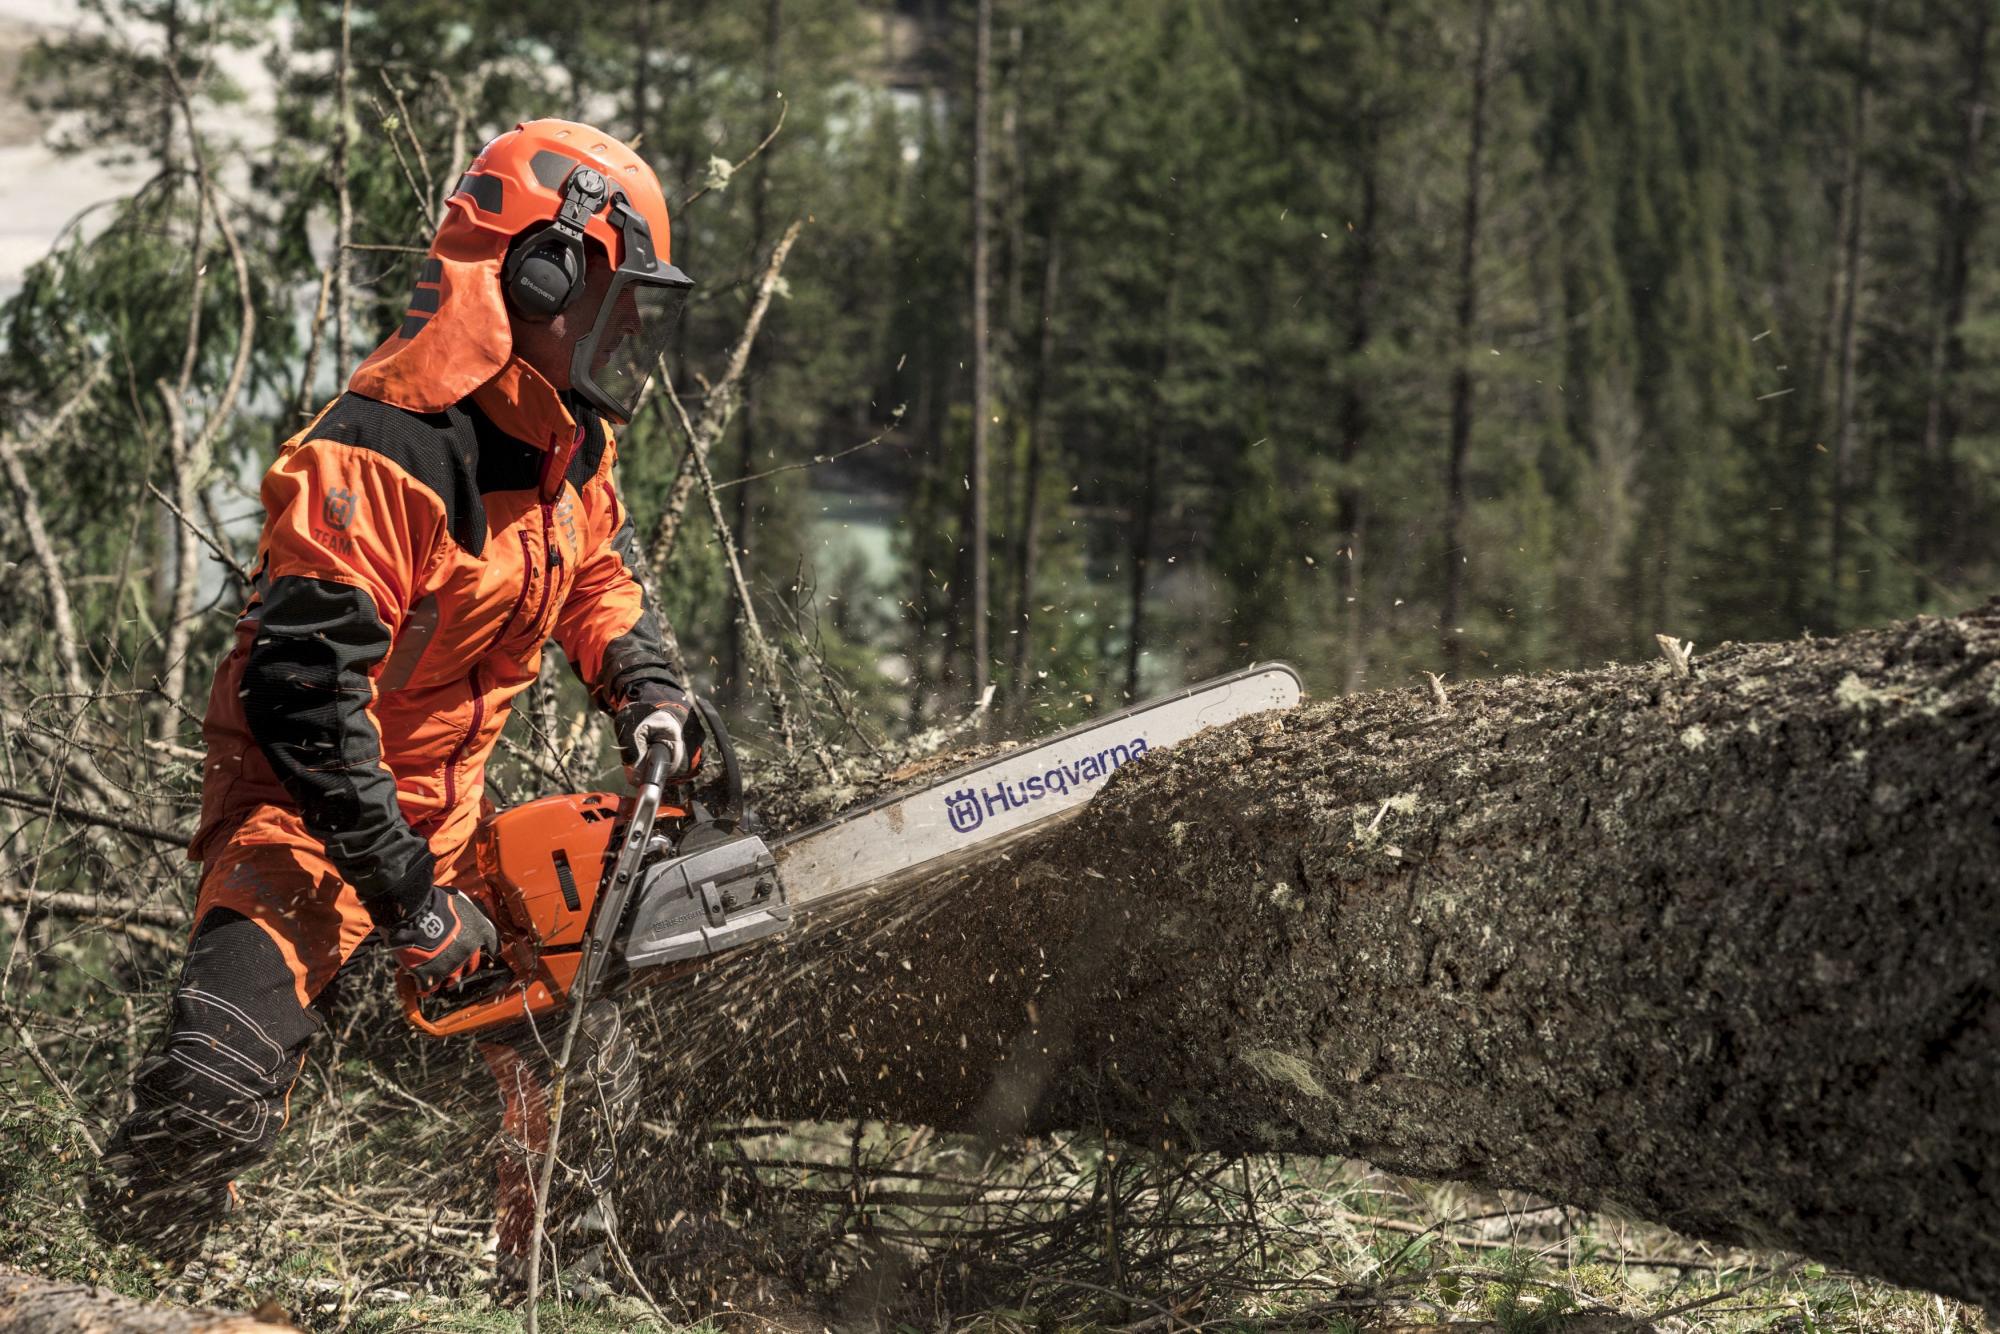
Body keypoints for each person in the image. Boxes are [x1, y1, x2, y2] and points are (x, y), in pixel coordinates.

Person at [91, 119, 700, 1278]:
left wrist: (647, 687)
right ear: (542, 270)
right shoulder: (377, 452)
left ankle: (550, 1279)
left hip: (452, 814)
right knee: (209, 1087)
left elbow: (599, 575)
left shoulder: (566, 443)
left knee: (583, 1069)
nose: (629, 329)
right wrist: (412, 903)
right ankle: (120, 1275)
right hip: (307, 817)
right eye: (616, 297)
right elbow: (303, 698)